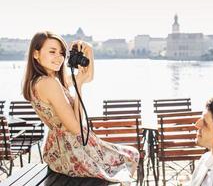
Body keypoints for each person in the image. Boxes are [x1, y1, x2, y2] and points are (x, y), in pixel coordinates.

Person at [22, 31, 139, 185]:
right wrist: (79, 86)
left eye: (62, 53)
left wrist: (89, 51)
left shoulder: (41, 81)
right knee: (132, 155)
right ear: (36, 54)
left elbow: (87, 77)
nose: (59, 57)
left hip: (60, 150)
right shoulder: (50, 84)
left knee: (128, 156)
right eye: (52, 52)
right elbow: (76, 129)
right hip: (73, 151)